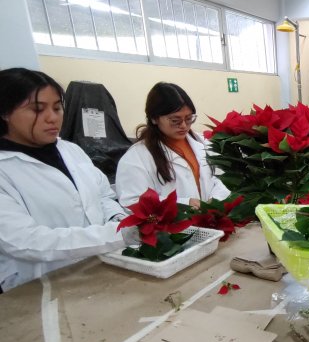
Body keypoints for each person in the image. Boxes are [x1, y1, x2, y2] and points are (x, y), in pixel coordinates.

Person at [0, 68, 136, 292]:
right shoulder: (5, 168)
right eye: (37, 109)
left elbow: (103, 194)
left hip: (99, 269)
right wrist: (118, 234)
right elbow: (24, 241)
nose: (53, 117)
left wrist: (120, 218)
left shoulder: (71, 150)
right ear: (4, 112)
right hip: (37, 285)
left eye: (57, 107)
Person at [116, 82, 230, 208]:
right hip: (170, 226)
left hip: (209, 221)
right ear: (154, 118)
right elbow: (132, 201)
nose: (184, 126)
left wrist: (215, 200)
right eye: (175, 121)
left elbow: (221, 179)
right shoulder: (136, 157)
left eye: (189, 118)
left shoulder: (202, 143)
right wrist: (183, 204)